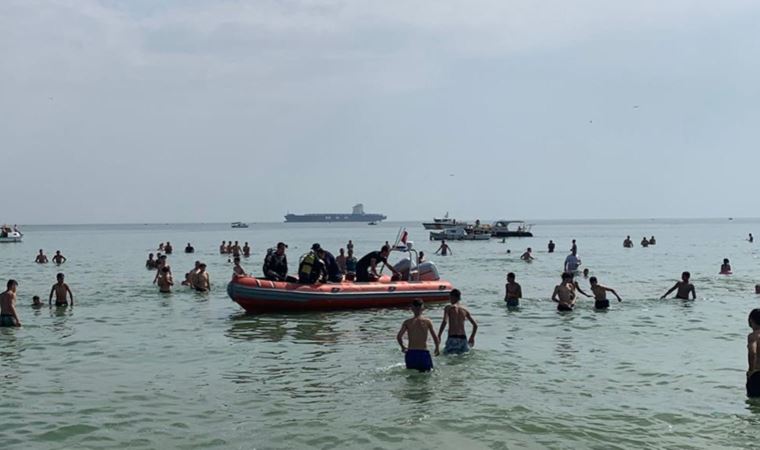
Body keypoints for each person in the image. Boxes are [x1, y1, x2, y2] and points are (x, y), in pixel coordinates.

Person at [397, 299, 440, 372]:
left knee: (411, 377)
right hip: (423, 352)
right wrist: (437, 348)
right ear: (423, 308)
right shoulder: (427, 321)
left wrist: (403, 347)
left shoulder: (407, 322)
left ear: (412, 308)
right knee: (426, 376)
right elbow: (435, 337)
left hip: (411, 353)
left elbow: (399, 337)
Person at [437, 289, 477, 354]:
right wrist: (472, 337)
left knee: (447, 357)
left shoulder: (448, 308)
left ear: (453, 297)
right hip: (463, 338)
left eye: (450, 297)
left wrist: (439, 335)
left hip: (452, 337)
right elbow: (475, 325)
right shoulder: (465, 310)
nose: (449, 299)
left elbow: (444, 321)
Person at [747, 309, 760, 397]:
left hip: (758, 373)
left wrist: (751, 370)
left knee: (754, 404)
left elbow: (753, 352)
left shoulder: (753, 336)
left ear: (751, 320)